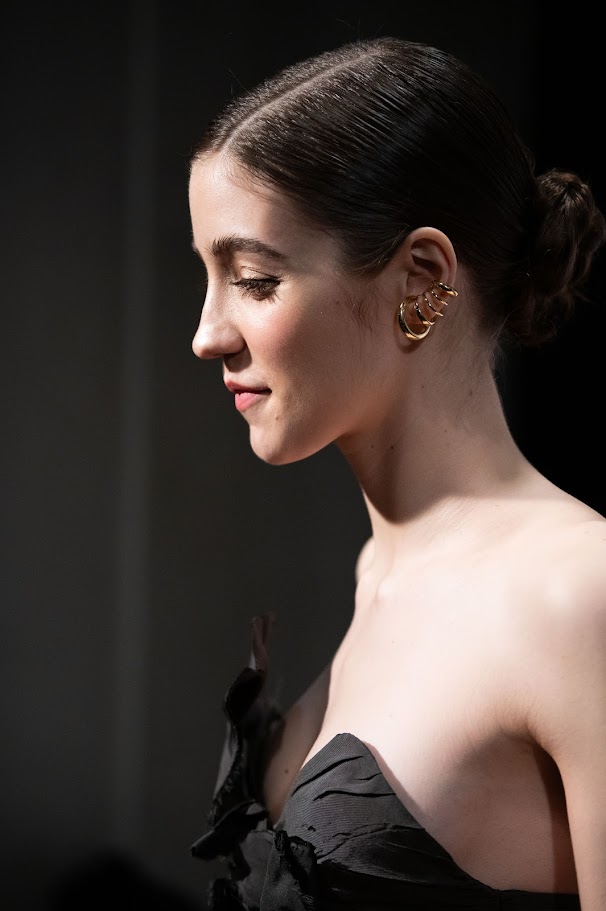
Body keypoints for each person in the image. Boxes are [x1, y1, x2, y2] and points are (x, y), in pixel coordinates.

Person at [186, 36, 606, 911]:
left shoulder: (577, 593)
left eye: (254, 279)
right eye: (210, 277)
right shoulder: (379, 569)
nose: (207, 334)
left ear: (422, 280)